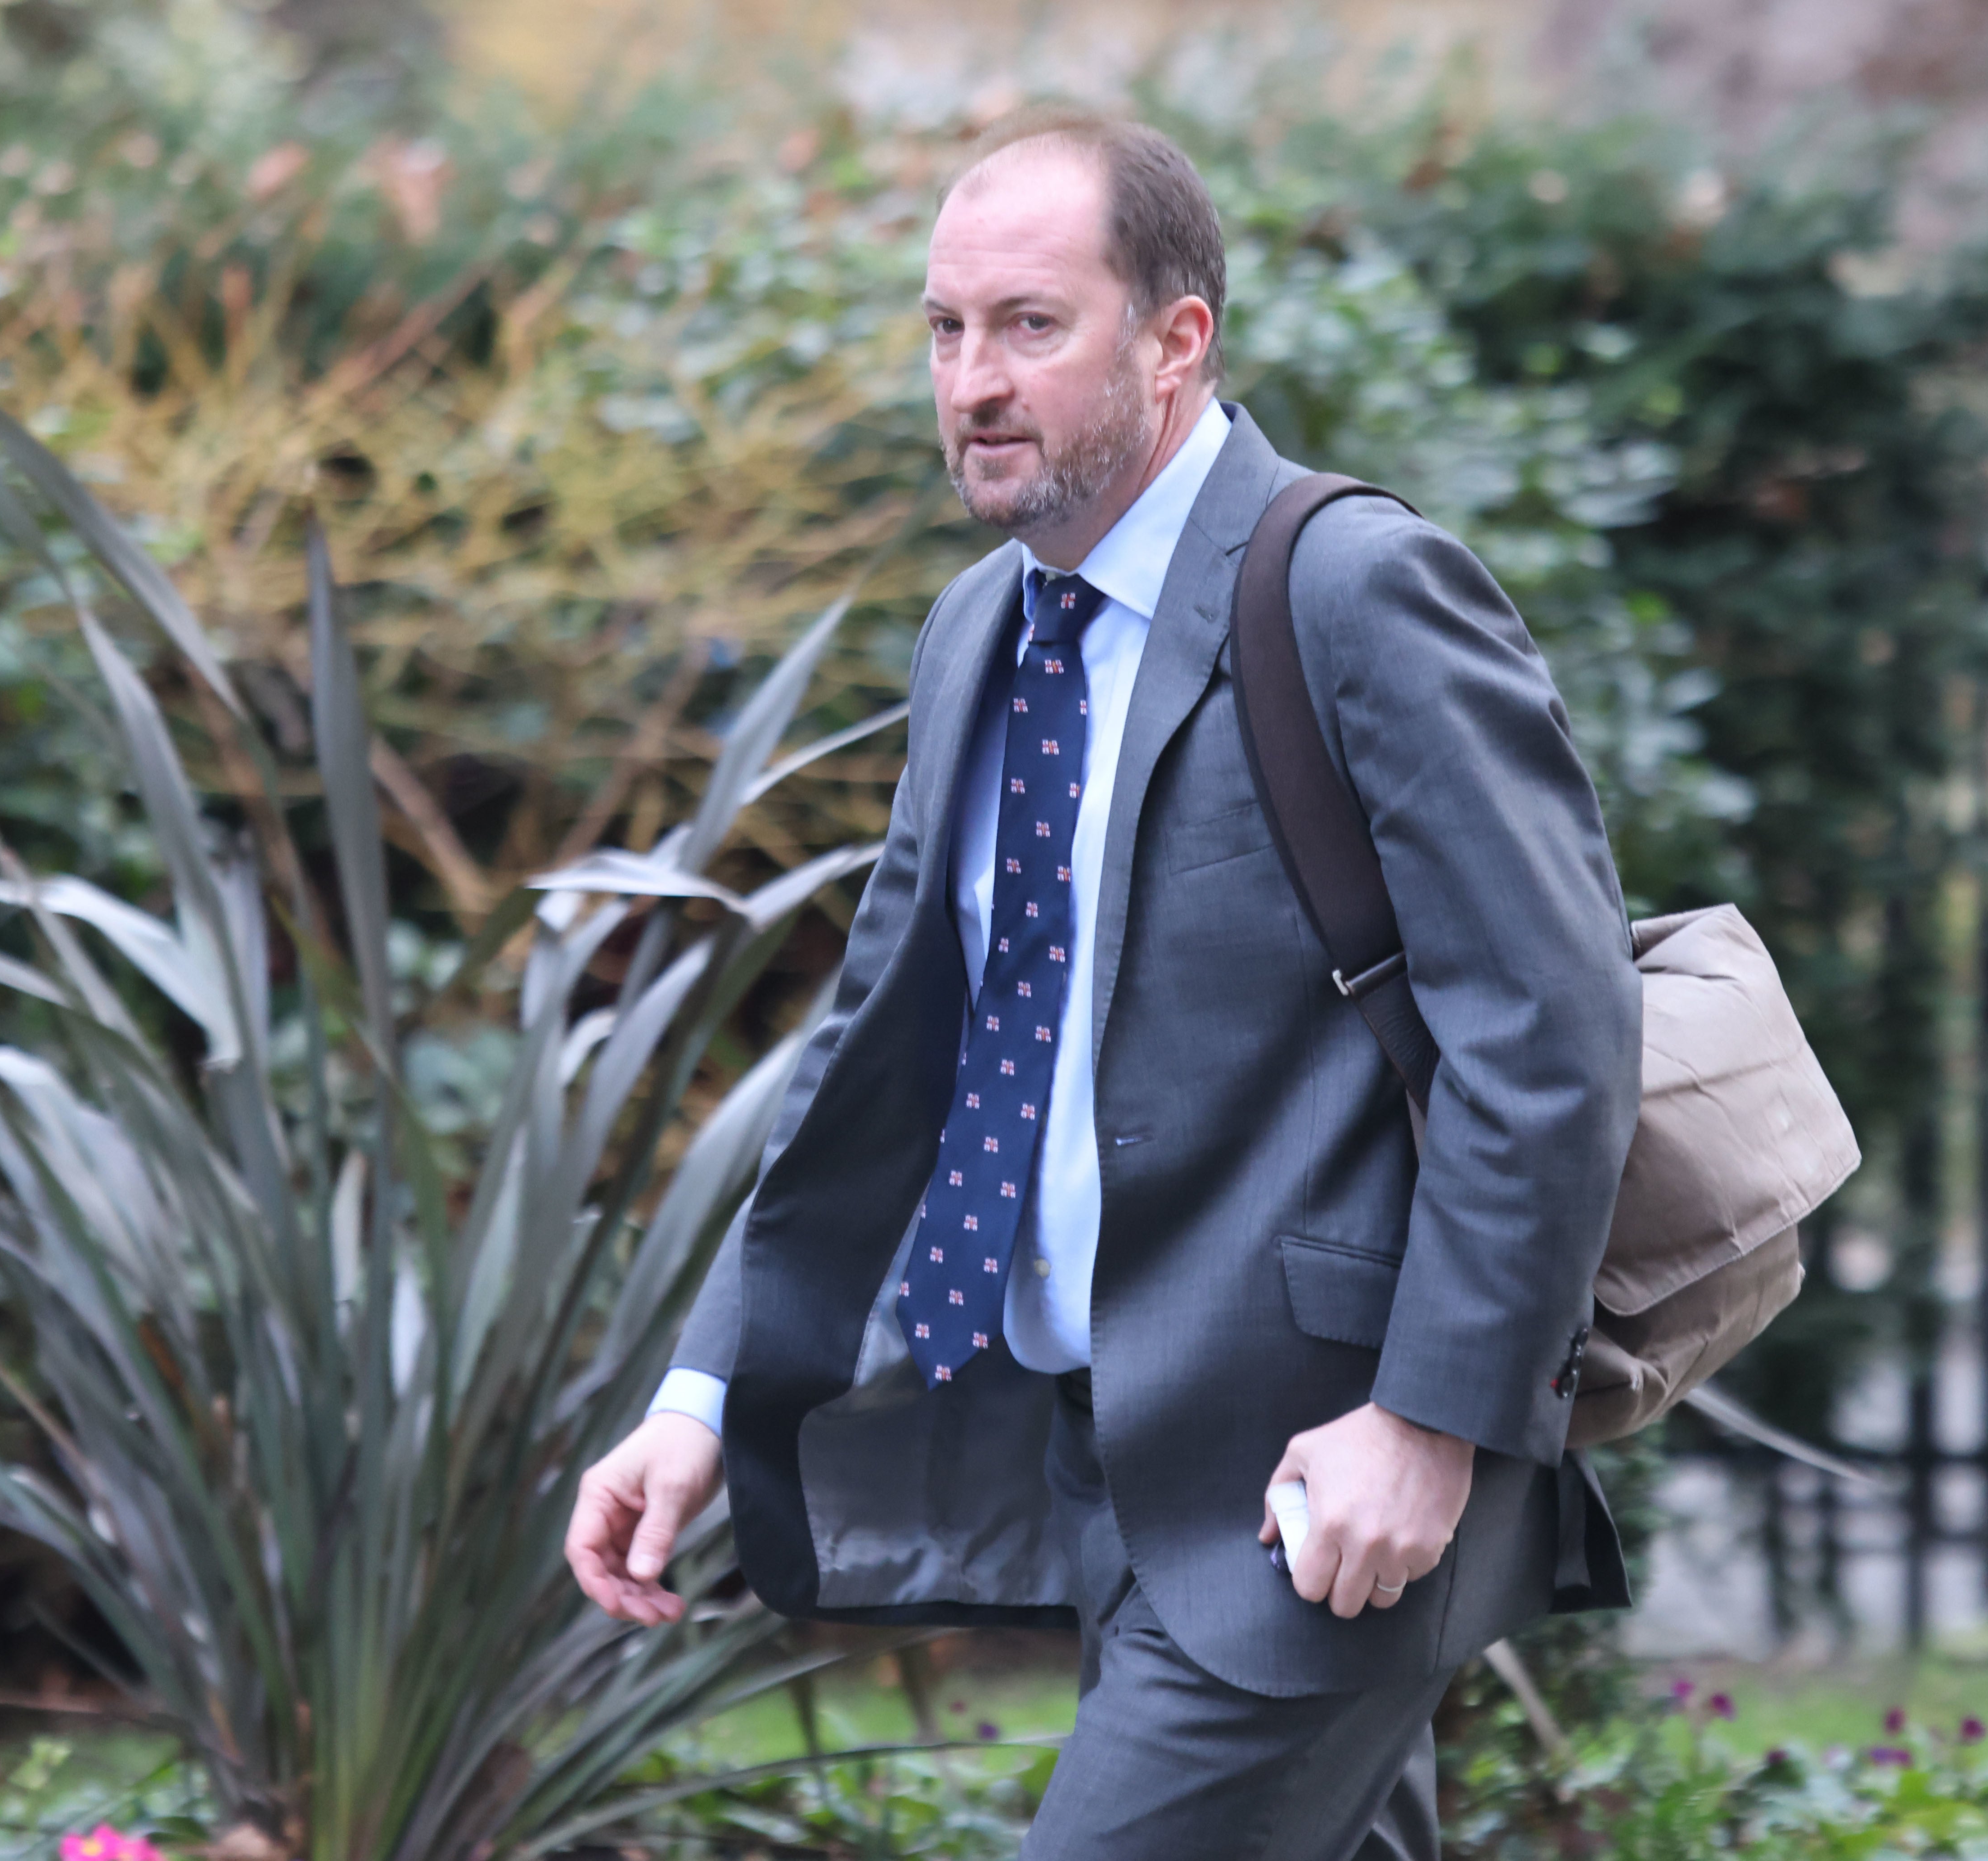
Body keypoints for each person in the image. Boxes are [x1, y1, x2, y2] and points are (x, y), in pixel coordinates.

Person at [564, 106, 1643, 1860]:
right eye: (945, 329)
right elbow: (885, 1054)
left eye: (1030, 325)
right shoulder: (980, 630)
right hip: (1114, 1465)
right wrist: (705, 1394)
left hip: (1323, 1479)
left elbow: (1554, 1028)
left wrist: (1434, 1420)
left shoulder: (1355, 589)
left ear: (1176, 339)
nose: (973, 379)